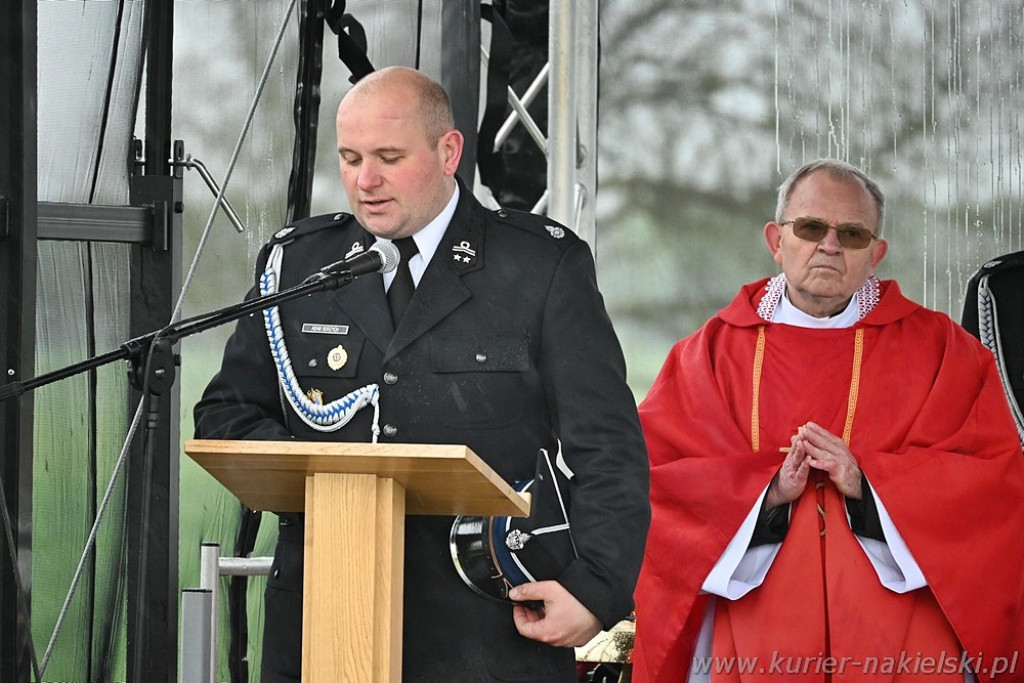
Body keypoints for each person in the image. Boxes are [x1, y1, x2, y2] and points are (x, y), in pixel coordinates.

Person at [193, 66, 649, 683]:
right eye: (350, 158)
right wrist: (322, 474)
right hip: (324, 618)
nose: (365, 181)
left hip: (485, 627)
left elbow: (609, 447)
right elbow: (227, 414)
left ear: (448, 152)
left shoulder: (539, 265)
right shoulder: (299, 263)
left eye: (388, 157)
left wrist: (595, 589)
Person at [631, 159, 1024, 682]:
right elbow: (654, 483)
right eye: (812, 227)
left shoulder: (944, 353)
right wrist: (766, 492)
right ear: (777, 240)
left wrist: (870, 484)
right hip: (752, 632)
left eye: (853, 233)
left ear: (876, 253)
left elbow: (993, 485)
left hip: (902, 638)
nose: (831, 245)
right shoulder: (707, 357)